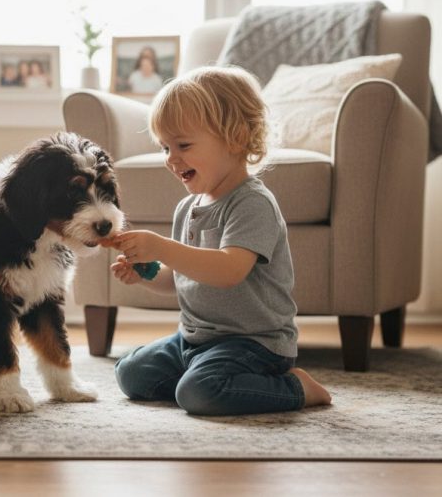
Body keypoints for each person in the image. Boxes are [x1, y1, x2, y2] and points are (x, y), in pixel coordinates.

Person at [106, 66, 331, 416]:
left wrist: (161, 246)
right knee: (130, 373)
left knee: (201, 394)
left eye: (183, 145)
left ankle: (296, 387)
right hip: (196, 339)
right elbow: (182, 281)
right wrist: (147, 271)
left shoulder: (252, 203)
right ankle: (203, 376)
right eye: (165, 146)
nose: (171, 158)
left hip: (255, 344)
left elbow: (229, 270)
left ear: (236, 139)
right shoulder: (188, 207)